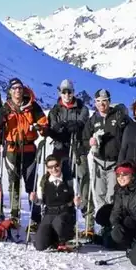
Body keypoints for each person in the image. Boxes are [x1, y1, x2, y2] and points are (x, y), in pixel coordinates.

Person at [0, 78, 48, 231]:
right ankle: (14, 216)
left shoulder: (33, 106)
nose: (18, 90)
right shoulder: (5, 108)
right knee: (13, 184)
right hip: (11, 150)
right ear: (10, 91)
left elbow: (44, 123)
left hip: (29, 149)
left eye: (20, 88)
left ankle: (36, 219)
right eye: (14, 88)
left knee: (32, 185)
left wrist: (40, 128)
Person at [81, 88, 130, 232]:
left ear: (109, 101)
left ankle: (112, 227)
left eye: (104, 101)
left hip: (114, 163)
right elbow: (84, 140)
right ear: (95, 103)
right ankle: (104, 228)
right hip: (98, 163)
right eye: (98, 101)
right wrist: (90, 143)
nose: (101, 104)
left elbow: (130, 132)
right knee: (99, 196)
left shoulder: (118, 116)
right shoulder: (93, 120)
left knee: (112, 196)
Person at [47, 79, 90, 234]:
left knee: (83, 180)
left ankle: (88, 222)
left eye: (69, 91)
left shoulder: (82, 108)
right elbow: (53, 127)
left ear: (73, 92)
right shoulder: (55, 110)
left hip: (78, 149)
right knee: (64, 184)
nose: (67, 94)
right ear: (60, 92)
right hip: (60, 150)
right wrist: (59, 129)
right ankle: (66, 221)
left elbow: (83, 123)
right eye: (64, 91)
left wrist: (74, 126)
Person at [29, 153, 82, 251]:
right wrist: (35, 199)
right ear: (47, 168)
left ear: (60, 165)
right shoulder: (44, 181)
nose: (54, 169)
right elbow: (40, 201)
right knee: (40, 246)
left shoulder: (71, 181)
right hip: (49, 213)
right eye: (50, 167)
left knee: (59, 222)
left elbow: (78, 204)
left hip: (65, 213)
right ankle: (52, 239)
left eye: (56, 166)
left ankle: (64, 239)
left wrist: (77, 202)